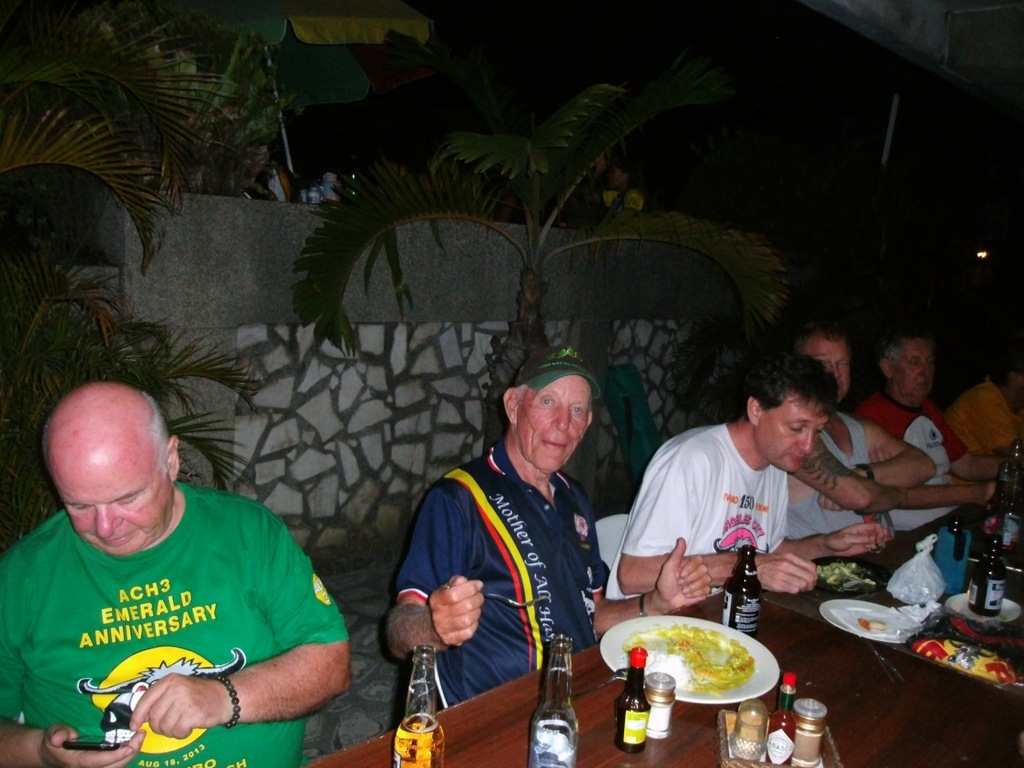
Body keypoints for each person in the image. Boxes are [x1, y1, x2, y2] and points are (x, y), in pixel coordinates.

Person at [0, 382, 351, 767]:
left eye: (127, 498)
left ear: (170, 460)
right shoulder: (21, 577)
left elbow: (331, 664)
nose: (105, 527)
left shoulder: (249, 535)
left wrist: (224, 698)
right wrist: (39, 752)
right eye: (79, 505)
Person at [385, 345, 710, 706]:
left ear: (587, 423)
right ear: (513, 406)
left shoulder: (575, 498)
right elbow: (398, 630)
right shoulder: (458, 499)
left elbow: (592, 614)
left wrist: (657, 602)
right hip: (496, 713)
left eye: (577, 410)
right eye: (547, 402)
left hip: (577, 697)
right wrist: (434, 626)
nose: (563, 423)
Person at [607, 354, 887, 600]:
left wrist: (826, 545)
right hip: (654, 624)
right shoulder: (693, 459)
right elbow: (633, 575)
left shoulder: (775, 465)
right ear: (756, 410)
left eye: (818, 431)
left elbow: (771, 551)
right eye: (796, 428)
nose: (809, 446)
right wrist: (749, 566)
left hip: (718, 616)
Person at [786, 322, 938, 538]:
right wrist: (900, 493)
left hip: (882, 548)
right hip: (828, 556)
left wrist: (864, 473)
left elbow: (925, 465)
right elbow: (860, 497)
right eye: (823, 363)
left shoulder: (855, 424)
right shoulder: (794, 431)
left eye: (843, 363)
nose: (835, 373)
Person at [854, 326, 1000, 528]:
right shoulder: (869, 417)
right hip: (907, 533)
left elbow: (967, 465)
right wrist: (974, 493)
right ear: (888, 368)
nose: (926, 371)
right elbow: (889, 493)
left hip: (949, 519)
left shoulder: (929, 408)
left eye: (930, 362)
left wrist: (1014, 467)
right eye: (915, 362)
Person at [944, 336, 1024, 456]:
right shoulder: (985, 399)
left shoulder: (1017, 407)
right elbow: (1014, 456)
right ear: (1016, 377)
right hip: (947, 468)